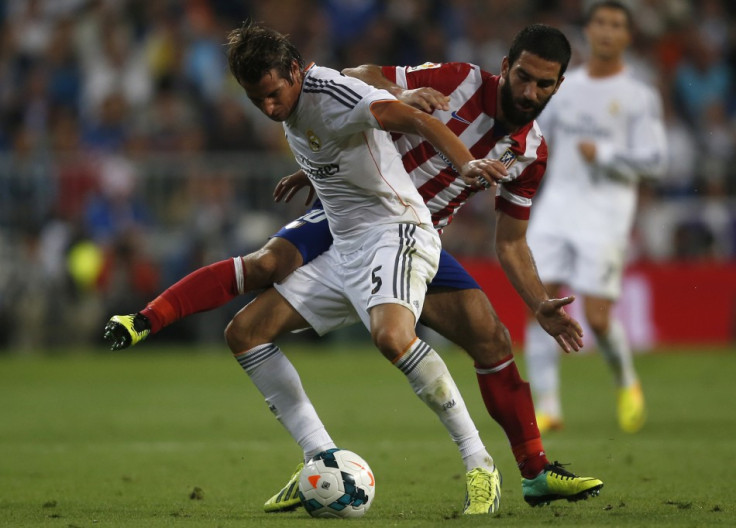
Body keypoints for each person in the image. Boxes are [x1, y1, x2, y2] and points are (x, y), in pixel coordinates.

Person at [104, 24, 604, 512]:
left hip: (409, 234)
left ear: (559, 85)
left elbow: (512, 241)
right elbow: (361, 78)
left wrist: (539, 303)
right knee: (266, 274)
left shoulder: (532, 153)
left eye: (543, 84)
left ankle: (534, 474)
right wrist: (388, 104)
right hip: (355, 212)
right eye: (523, 76)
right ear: (505, 68)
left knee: (491, 339)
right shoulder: (457, 81)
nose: (530, 90)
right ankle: (319, 456)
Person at [524, 1, 667, 434]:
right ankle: (547, 406)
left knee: (600, 318)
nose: (606, 31)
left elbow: (657, 162)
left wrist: (604, 154)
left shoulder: (639, 96)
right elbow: (533, 133)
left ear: (627, 36)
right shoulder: (563, 89)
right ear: (587, 31)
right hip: (555, 208)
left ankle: (627, 383)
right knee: (541, 304)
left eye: (616, 25)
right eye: (600, 23)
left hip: (605, 214)